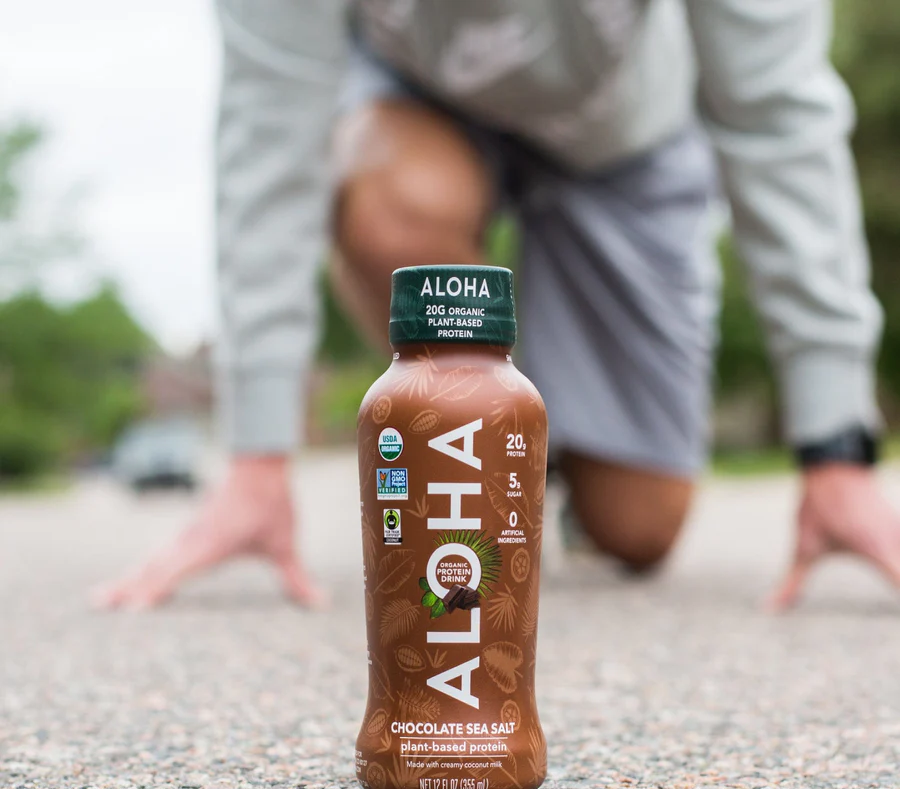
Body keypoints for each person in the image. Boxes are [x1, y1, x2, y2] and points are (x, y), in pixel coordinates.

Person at [98, 0, 900, 612]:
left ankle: (534, 440)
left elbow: (781, 121)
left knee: (639, 527)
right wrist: (255, 458)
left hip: (623, 139)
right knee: (391, 207)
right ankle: (501, 436)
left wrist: (836, 453)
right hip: (416, 114)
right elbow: (267, 146)